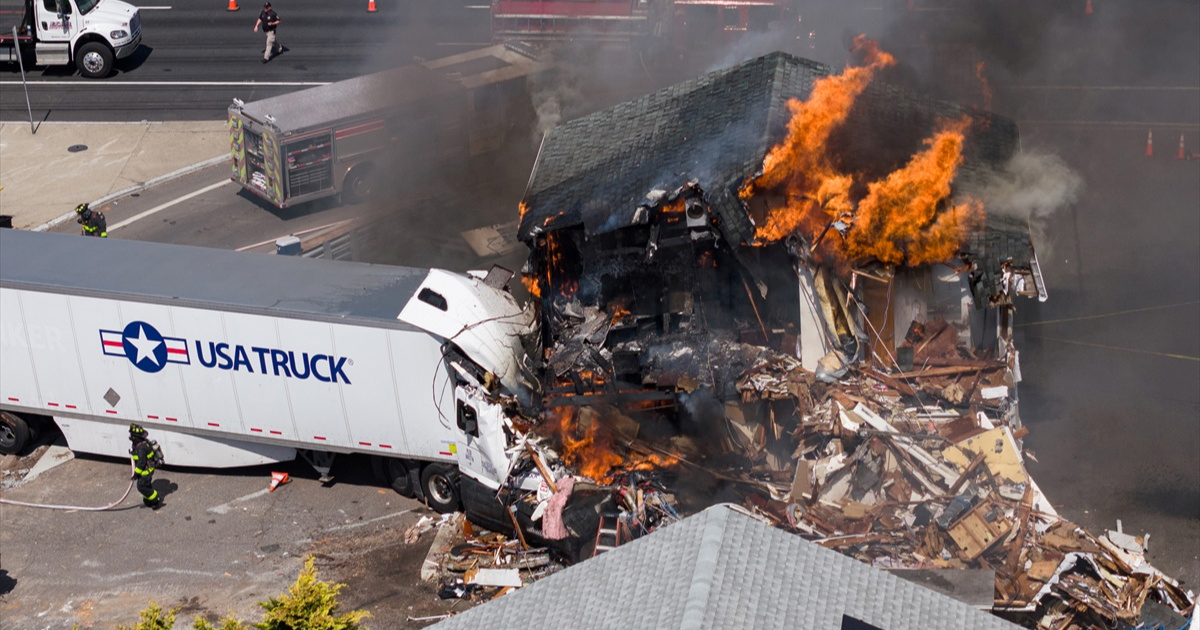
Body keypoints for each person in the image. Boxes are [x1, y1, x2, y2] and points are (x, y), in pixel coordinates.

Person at [129, 423, 163, 509]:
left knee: (141, 487)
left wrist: (136, 473)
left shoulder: (142, 448)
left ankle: (156, 500)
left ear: (135, 437)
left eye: (132, 435)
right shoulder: (140, 445)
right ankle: (148, 501)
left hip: (146, 472)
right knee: (146, 486)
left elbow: (141, 462)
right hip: (146, 470)